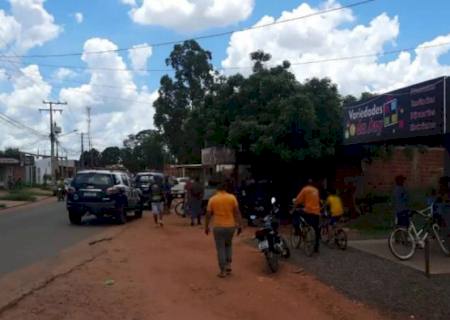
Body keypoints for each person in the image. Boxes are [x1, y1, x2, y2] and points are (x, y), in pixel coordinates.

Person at [205, 178, 243, 278]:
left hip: (218, 226)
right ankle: (228, 265)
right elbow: (237, 212)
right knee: (228, 245)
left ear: (217, 189)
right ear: (226, 189)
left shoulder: (213, 199)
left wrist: (206, 226)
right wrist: (240, 225)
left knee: (220, 248)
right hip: (231, 226)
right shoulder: (232, 198)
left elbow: (208, 214)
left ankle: (223, 271)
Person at [294, 179, 321, 253]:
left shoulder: (305, 189)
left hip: (308, 211)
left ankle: (299, 230)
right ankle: (316, 247)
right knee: (316, 228)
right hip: (317, 212)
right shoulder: (316, 190)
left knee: (297, 214)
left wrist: (294, 206)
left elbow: (298, 200)